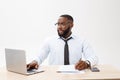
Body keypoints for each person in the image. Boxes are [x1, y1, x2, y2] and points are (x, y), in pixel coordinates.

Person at [27, 14, 98, 70]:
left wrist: (86, 63)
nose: (59, 27)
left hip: (75, 75)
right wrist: (35, 62)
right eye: (58, 24)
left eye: (62, 24)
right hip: (55, 76)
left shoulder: (82, 41)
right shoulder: (49, 40)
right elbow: (40, 57)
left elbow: (93, 57)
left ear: (71, 25)